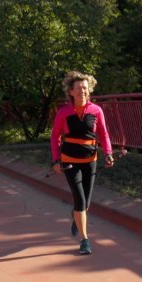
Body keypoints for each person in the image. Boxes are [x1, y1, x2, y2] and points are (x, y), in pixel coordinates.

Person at [50, 70, 114, 255]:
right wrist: (56, 160)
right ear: (70, 91)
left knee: (86, 203)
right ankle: (85, 240)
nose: (82, 91)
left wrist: (108, 153)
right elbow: (55, 137)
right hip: (70, 161)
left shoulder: (96, 111)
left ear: (89, 90)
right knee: (79, 199)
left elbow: (103, 134)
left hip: (90, 161)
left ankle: (76, 215)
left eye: (85, 88)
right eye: (78, 88)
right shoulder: (63, 112)